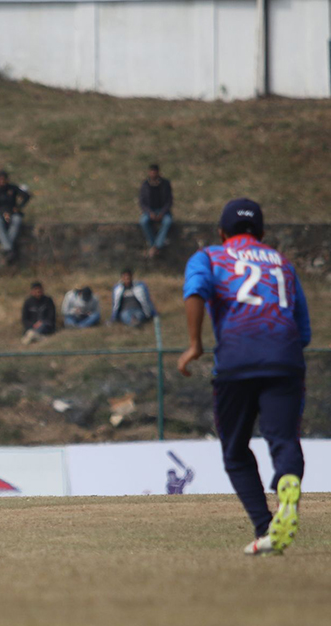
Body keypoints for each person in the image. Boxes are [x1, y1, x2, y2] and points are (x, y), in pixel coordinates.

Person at [178, 198, 309, 556]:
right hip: (285, 359)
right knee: (283, 440)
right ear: (263, 234)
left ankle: (266, 527)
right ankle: (287, 480)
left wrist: (194, 344)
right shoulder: (283, 263)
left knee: (235, 451)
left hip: (236, 360)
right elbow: (304, 330)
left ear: (221, 232)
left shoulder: (210, 256)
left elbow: (195, 292)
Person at [0, 170, 31, 262]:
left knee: (17, 220)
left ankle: (7, 247)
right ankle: (9, 248)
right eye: (0, 180)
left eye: (4, 180)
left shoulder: (12, 188)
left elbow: (26, 196)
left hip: (12, 213)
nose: (2, 182)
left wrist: (19, 207)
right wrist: (3, 214)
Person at [139, 164, 173, 257]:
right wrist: (150, 213)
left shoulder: (165, 184)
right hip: (150, 211)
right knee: (143, 221)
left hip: (162, 211)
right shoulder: (145, 185)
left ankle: (156, 245)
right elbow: (142, 202)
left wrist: (162, 212)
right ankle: (153, 244)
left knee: (168, 221)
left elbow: (169, 201)